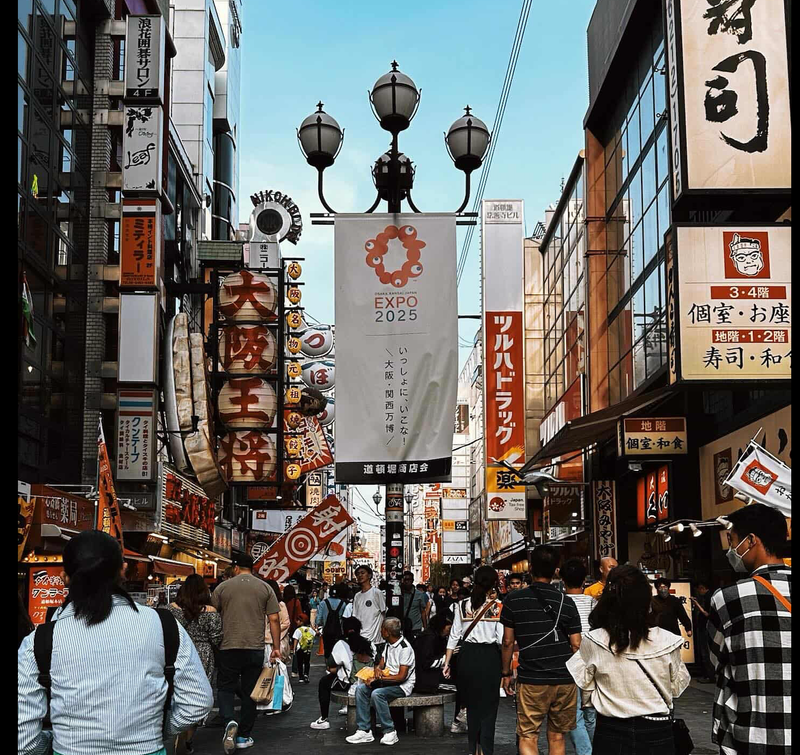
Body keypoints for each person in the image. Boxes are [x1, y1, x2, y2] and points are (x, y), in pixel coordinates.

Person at [18, 530, 213, 755]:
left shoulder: (41, 640)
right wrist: (157, 729)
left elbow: (23, 741)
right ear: (123, 570)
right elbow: (198, 700)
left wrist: (54, 741)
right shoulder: (162, 625)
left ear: (65, 578)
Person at [566, 564, 690, 755]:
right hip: (657, 731)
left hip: (610, 731)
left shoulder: (594, 640)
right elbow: (676, 687)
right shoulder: (669, 642)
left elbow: (586, 691)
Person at [708, 503, 791, 755]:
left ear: (751, 540)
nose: (731, 550)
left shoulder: (728, 597)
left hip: (753, 734)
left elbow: (716, 661)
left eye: (732, 541)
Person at [500, 545, 583, 755]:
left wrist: (506, 673)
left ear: (530, 569)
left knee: (528, 736)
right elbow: (576, 644)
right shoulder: (567, 602)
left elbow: (508, 642)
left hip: (531, 679)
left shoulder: (513, 600)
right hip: (564, 679)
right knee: (557, 736)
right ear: (556, 570)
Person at [212, 553, 281, 753]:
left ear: (235, 567)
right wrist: (276, 647)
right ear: (252, 567)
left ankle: (228, 722)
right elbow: (274, 619)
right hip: (255, 647)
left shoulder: (222, 588)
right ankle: (243, 736)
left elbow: (212, 613)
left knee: (225, 687)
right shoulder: (265, 587)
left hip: (228, 646)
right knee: (251, 692)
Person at [444, 566, 505, 755]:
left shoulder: (461, 605)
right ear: (493, 583)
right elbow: (502, 640)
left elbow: (454, 636)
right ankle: (486, 750)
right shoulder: (498, 607)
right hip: (490, 658)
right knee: (489, 708)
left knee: (472, 706)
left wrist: (446, 663)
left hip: (467, 657)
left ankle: (474, 749)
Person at [168, 574, 223, 754]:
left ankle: (176, 730)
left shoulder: (171, 609)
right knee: (197, 696)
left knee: (176, 693)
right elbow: (217, 638)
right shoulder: (211, 611)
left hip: (177, 653)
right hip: (203, 654)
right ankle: (188, 738)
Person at [345, 617, 416, 746]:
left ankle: (390, 731)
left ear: (387, 632)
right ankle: (364, 730)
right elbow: (381, 663)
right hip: (386, 680)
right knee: (360, 689)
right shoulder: (388, 645)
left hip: (401, 685)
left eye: (382, 629)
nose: (380, 631)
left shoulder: (405, 648)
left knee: (377, 694)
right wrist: (377, 669)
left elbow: (401, 677)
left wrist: (378, 679)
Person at [560, 558, 597, 755]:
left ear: (562, 580)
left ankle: (585, 752)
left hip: (568, 663)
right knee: (591, 712)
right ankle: (591, 749)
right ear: (584, 581)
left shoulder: (559, 604)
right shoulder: (593, 603)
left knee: (574, 714)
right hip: (593, 661)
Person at [310, 616, 363, 730]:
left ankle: (324, 718)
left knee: (324, 682)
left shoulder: (341, 644)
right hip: (366, 682)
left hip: (348, 684)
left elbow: (330, 667)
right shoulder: (367, 642)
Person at [352, 564, 387, 660]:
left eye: (363, 573)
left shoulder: (377, 593)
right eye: (358, 574)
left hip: (376, 639)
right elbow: (355, 616)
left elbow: (383, 614)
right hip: (361, 638)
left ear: (370, 575)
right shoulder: (357, 596)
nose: (360, 575)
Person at [413, 610, 454, 693]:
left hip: (430, 676)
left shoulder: (436, 637)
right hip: (426, 680)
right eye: (449, 629)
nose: (449, 633)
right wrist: (446, 658)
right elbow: (426, 663)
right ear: (441, 626)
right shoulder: (429, 639)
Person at [316, 581, 353, 658]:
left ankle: (328, 667)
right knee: (337, 651)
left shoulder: (323, 603)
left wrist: (319, 627)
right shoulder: (342, 604)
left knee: (327, 651)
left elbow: (319, 619)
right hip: (339, 631)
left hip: (327, 631)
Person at [689, 579, 715, 683]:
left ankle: (709, 676)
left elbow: (707, 614)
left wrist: (696, 604)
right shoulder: (709, 596)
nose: (699, 591)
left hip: (706, 627)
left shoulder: (709, 597)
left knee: (706, 652)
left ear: (703, 588)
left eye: (700, 589)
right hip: (706, 627)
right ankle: (708, 675)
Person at [265, 579, 293, 664]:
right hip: (262, 642)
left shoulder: (280, 604)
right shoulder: (261, 604)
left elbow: (286, 623)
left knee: (275, 670)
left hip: (276, 641)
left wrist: (270, 632)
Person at [400, 571, 427, 641]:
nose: (407, 582)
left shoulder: (419, 594)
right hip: (401, 627)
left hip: (415, 627)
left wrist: (425, 627)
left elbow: (423, 612)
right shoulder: (398, 594)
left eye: (409, 580)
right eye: (405, 580)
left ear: (412, 581)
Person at [291, 613, 315, 684]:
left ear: (302, 621)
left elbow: (296, 639)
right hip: (308, 648)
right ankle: (306, 674)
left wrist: (294, 649)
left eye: (298, 620)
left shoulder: (298, 630)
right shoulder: (310, 629)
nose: (297, 622)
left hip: (300, 648)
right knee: (307, 662)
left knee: (300, 663)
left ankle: (301, 677)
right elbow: (315, 635)